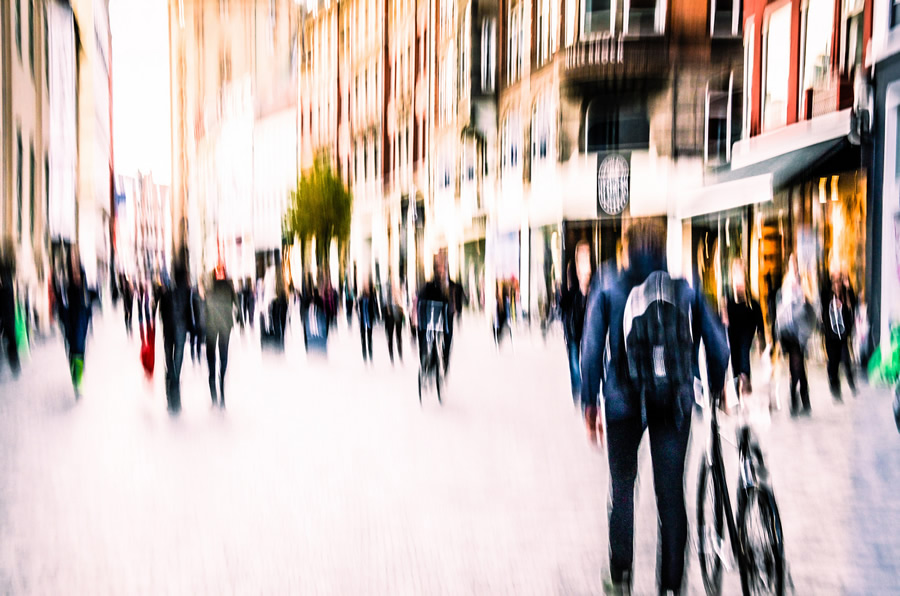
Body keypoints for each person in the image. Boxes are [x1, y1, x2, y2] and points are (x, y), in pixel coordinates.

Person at [580, 219, 729, 595]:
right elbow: (720, 347)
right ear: (664, 247)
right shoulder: (685, 290)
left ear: (627, 248)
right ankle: (671, 587)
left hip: (622, 403)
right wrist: (719, 386)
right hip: (673, 402)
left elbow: (591, 348)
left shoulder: (610, 286)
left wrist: (589, 401)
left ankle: (620, 577)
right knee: (671, 496)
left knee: (623, 489)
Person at [775, 256, 817, 416]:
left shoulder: (804, 286)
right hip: (789, 333)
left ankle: (798, 400)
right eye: (791, 265)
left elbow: (811, 307)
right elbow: (781, 311)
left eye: (795, 266)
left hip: (800, 333)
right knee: (796, 366)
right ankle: (798, 400)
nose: (793, 270)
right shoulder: (785, 287)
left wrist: (804, 299)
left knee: (798, 367)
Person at [723, 259, 765, 397]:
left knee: (744, 353)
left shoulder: (752, 302)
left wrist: (761, 338)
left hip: (747, 327)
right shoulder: (728, 299)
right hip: (733, 331)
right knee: (735, 359)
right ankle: (737, 389)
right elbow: (723, 318)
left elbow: (759, 317)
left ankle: (745, 382)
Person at [58, 253, 96, 396]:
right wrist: (64, 322)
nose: (76, 277)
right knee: (72, 353)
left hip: (81, 326)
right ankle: (76, 377)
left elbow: (90, 306)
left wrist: (88, 323)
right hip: (70, 327)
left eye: (78, 275)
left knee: (79, 351)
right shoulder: (67, 290)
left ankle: (78, 380)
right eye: (74, 275)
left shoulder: (85, 291)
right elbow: (61, 308)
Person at [561, 241, 593, 404]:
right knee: (574, 360)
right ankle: (578, 392)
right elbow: (564, 300)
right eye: (581, 253)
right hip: (573, 326)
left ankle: (587, 392)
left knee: (588, 361)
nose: (583, 257)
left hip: (588, 326)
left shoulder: (594, 275)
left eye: (586, 253)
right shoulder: (570, 272)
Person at [159, 261, 192, 414]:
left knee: (170, 367)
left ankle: (170, 400)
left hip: (168, 334)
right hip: (180, 333)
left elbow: (161, 314)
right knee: (176, 368)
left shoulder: (166, 293)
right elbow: (189, 313)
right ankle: (175, 402)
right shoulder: (187, 292)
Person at [205, 261, 238, 408]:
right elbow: (237, 305)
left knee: (211, 356)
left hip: (212, 325)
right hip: (225, 325)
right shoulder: (229, 286)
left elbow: (205, 304)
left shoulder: (210, 287)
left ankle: (214, 392)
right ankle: (221, 387)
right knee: (223, 355)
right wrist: (237, 320)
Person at [821, 271, 857, 401]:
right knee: (833, 364)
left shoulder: (845, 295)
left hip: (842, 336)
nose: (837, 284)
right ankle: (836, 393)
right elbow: (822, 292)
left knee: (846, 361)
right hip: (831, 337)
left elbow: (853, 304)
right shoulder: (827, 296)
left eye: (839, 281)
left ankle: (852, 386)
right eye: (834, 282)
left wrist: (848, 288)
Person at [417, 254, 452, 369]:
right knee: (423, 333)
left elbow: (449, 303)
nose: (440, 270)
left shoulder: (448, 285)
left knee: (447, 335)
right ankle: (424, 358)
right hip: (429, 317)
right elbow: (421, 299)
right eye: (438, 267)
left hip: (443, 316)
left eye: (442, 268)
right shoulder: (429, 286)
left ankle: (445, 358)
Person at [0, 243, 21, 376]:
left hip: (7, 310)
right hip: (6, 310)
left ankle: (15, 366)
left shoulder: (6, 269)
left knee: (11, 339)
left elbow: (8, 290)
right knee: (10, 339)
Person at [358, 280, 376, 362]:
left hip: (369, 322)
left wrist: (374, 318)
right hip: (363, 322)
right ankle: (365, 358)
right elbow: (359, 310)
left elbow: (373, 309)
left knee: (369, 339)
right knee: (363, 341)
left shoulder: (371, 299)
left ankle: (371, 358)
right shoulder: (360, 299)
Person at [189, 279, 205, 363]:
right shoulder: (194, 295)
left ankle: (198, 354)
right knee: (193, 338)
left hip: (200, 322)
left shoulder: (203, 297)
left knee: (198, 338)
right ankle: (192, 353)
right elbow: (191, 308)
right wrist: (193, 320)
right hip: (194, 320)